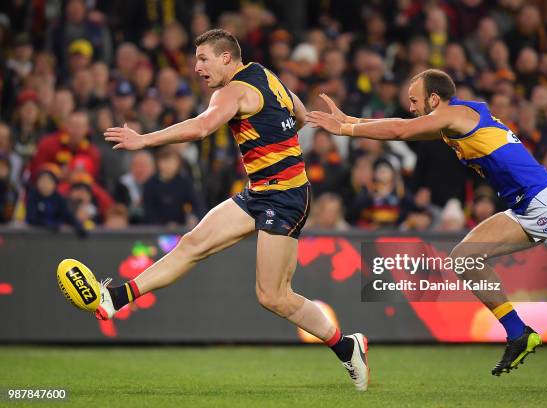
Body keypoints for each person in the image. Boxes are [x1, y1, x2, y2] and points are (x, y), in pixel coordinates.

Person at [95, 29, 367, 390]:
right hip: (260, 192)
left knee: (273, 296)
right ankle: (117, 298)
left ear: (226, 57)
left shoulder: (234, 89)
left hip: (285, 197)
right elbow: (300, 115)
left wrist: (144, 139)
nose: (197, 68)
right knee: (193, 243)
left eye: (203, 59)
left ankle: (347, 345)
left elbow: (203, 126)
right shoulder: (268, 75)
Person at [306, 69, 547, 376]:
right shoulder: (452, 121)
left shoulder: (456, 115)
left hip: (546, 200)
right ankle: (519, 333)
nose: (411, 107)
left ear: (434, 99)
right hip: (523, 208)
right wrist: (350, 119)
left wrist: (345, 129)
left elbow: (400, 130)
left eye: (415, 100)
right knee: (464, 259)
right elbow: (402, 125)